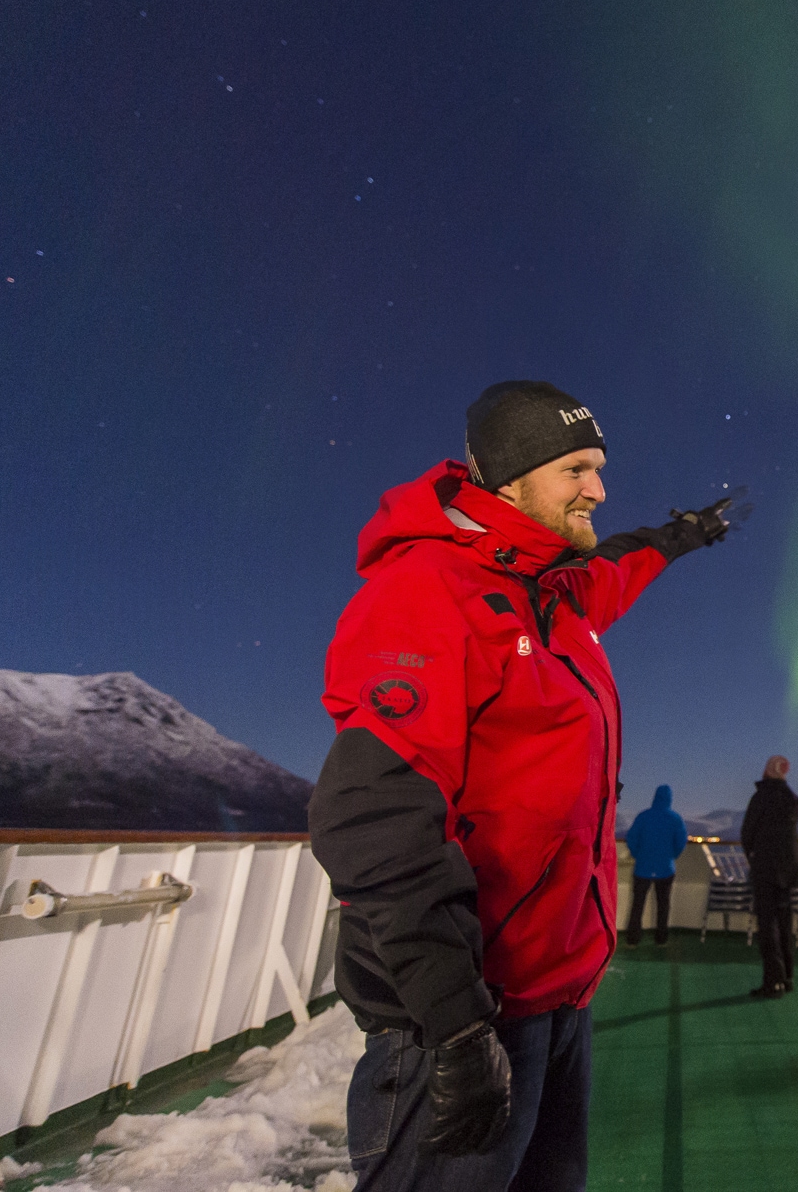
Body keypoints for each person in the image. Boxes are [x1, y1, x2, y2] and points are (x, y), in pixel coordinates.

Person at [309, 380, 732, 1192]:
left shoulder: (557, 591)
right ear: (510, 479)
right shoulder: (428, 592)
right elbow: (371, 818)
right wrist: (457, 1025)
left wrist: (681, 537)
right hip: (467, 1016)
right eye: (577, 469)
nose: (599, 489)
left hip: (558, 999)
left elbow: (620, 564)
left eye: (600, 468)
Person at [740, 755, 798, 998]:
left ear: (767, 771)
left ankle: (773, 982)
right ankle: (786, 976)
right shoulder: (791, 799)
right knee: (784, 923)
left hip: (767, 869)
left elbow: (748, 834)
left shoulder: (761, 797)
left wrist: (755, 858)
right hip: (789, 870)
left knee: (768, 926)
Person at [624, 786, 688, 946]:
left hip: (642, 868)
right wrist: (671, 856)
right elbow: (680, 842)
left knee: (637, 905)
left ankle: (633, 939)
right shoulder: (675, 818)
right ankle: (661, 939)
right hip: (665, 868)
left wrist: (638, 854)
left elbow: (631, 838)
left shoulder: (643, 817)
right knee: (663, 904)